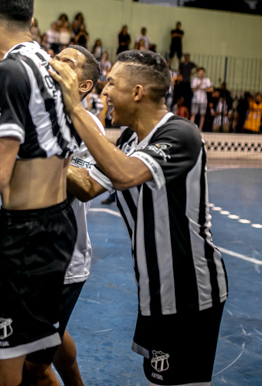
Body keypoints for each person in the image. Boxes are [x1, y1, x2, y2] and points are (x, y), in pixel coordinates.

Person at [49, 49, 228, 386]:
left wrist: (74, 107)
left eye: (111, 84)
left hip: (190, 290)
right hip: (156, 288)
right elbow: (87, 186)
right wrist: (37, 154)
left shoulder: (181, 134)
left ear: (137, 92)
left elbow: (124, 174)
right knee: (161, 379)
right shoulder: (131, 138)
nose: (104, 92)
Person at [0, 0, 81, 385]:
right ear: (31, 19)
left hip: (26, 240)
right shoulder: (53, 66)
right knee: (37, 362)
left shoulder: (10, 72)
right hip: (58, 227)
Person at [24, 45, 104, 386]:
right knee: (51, 334)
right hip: (22, 251)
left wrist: (37, 147)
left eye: (66, 62)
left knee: (32, 365)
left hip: (61, 261)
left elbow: (86, 186)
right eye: (54, 55)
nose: (53, 62)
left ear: (83, 86)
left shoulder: (87, 126)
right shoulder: (30, 110)